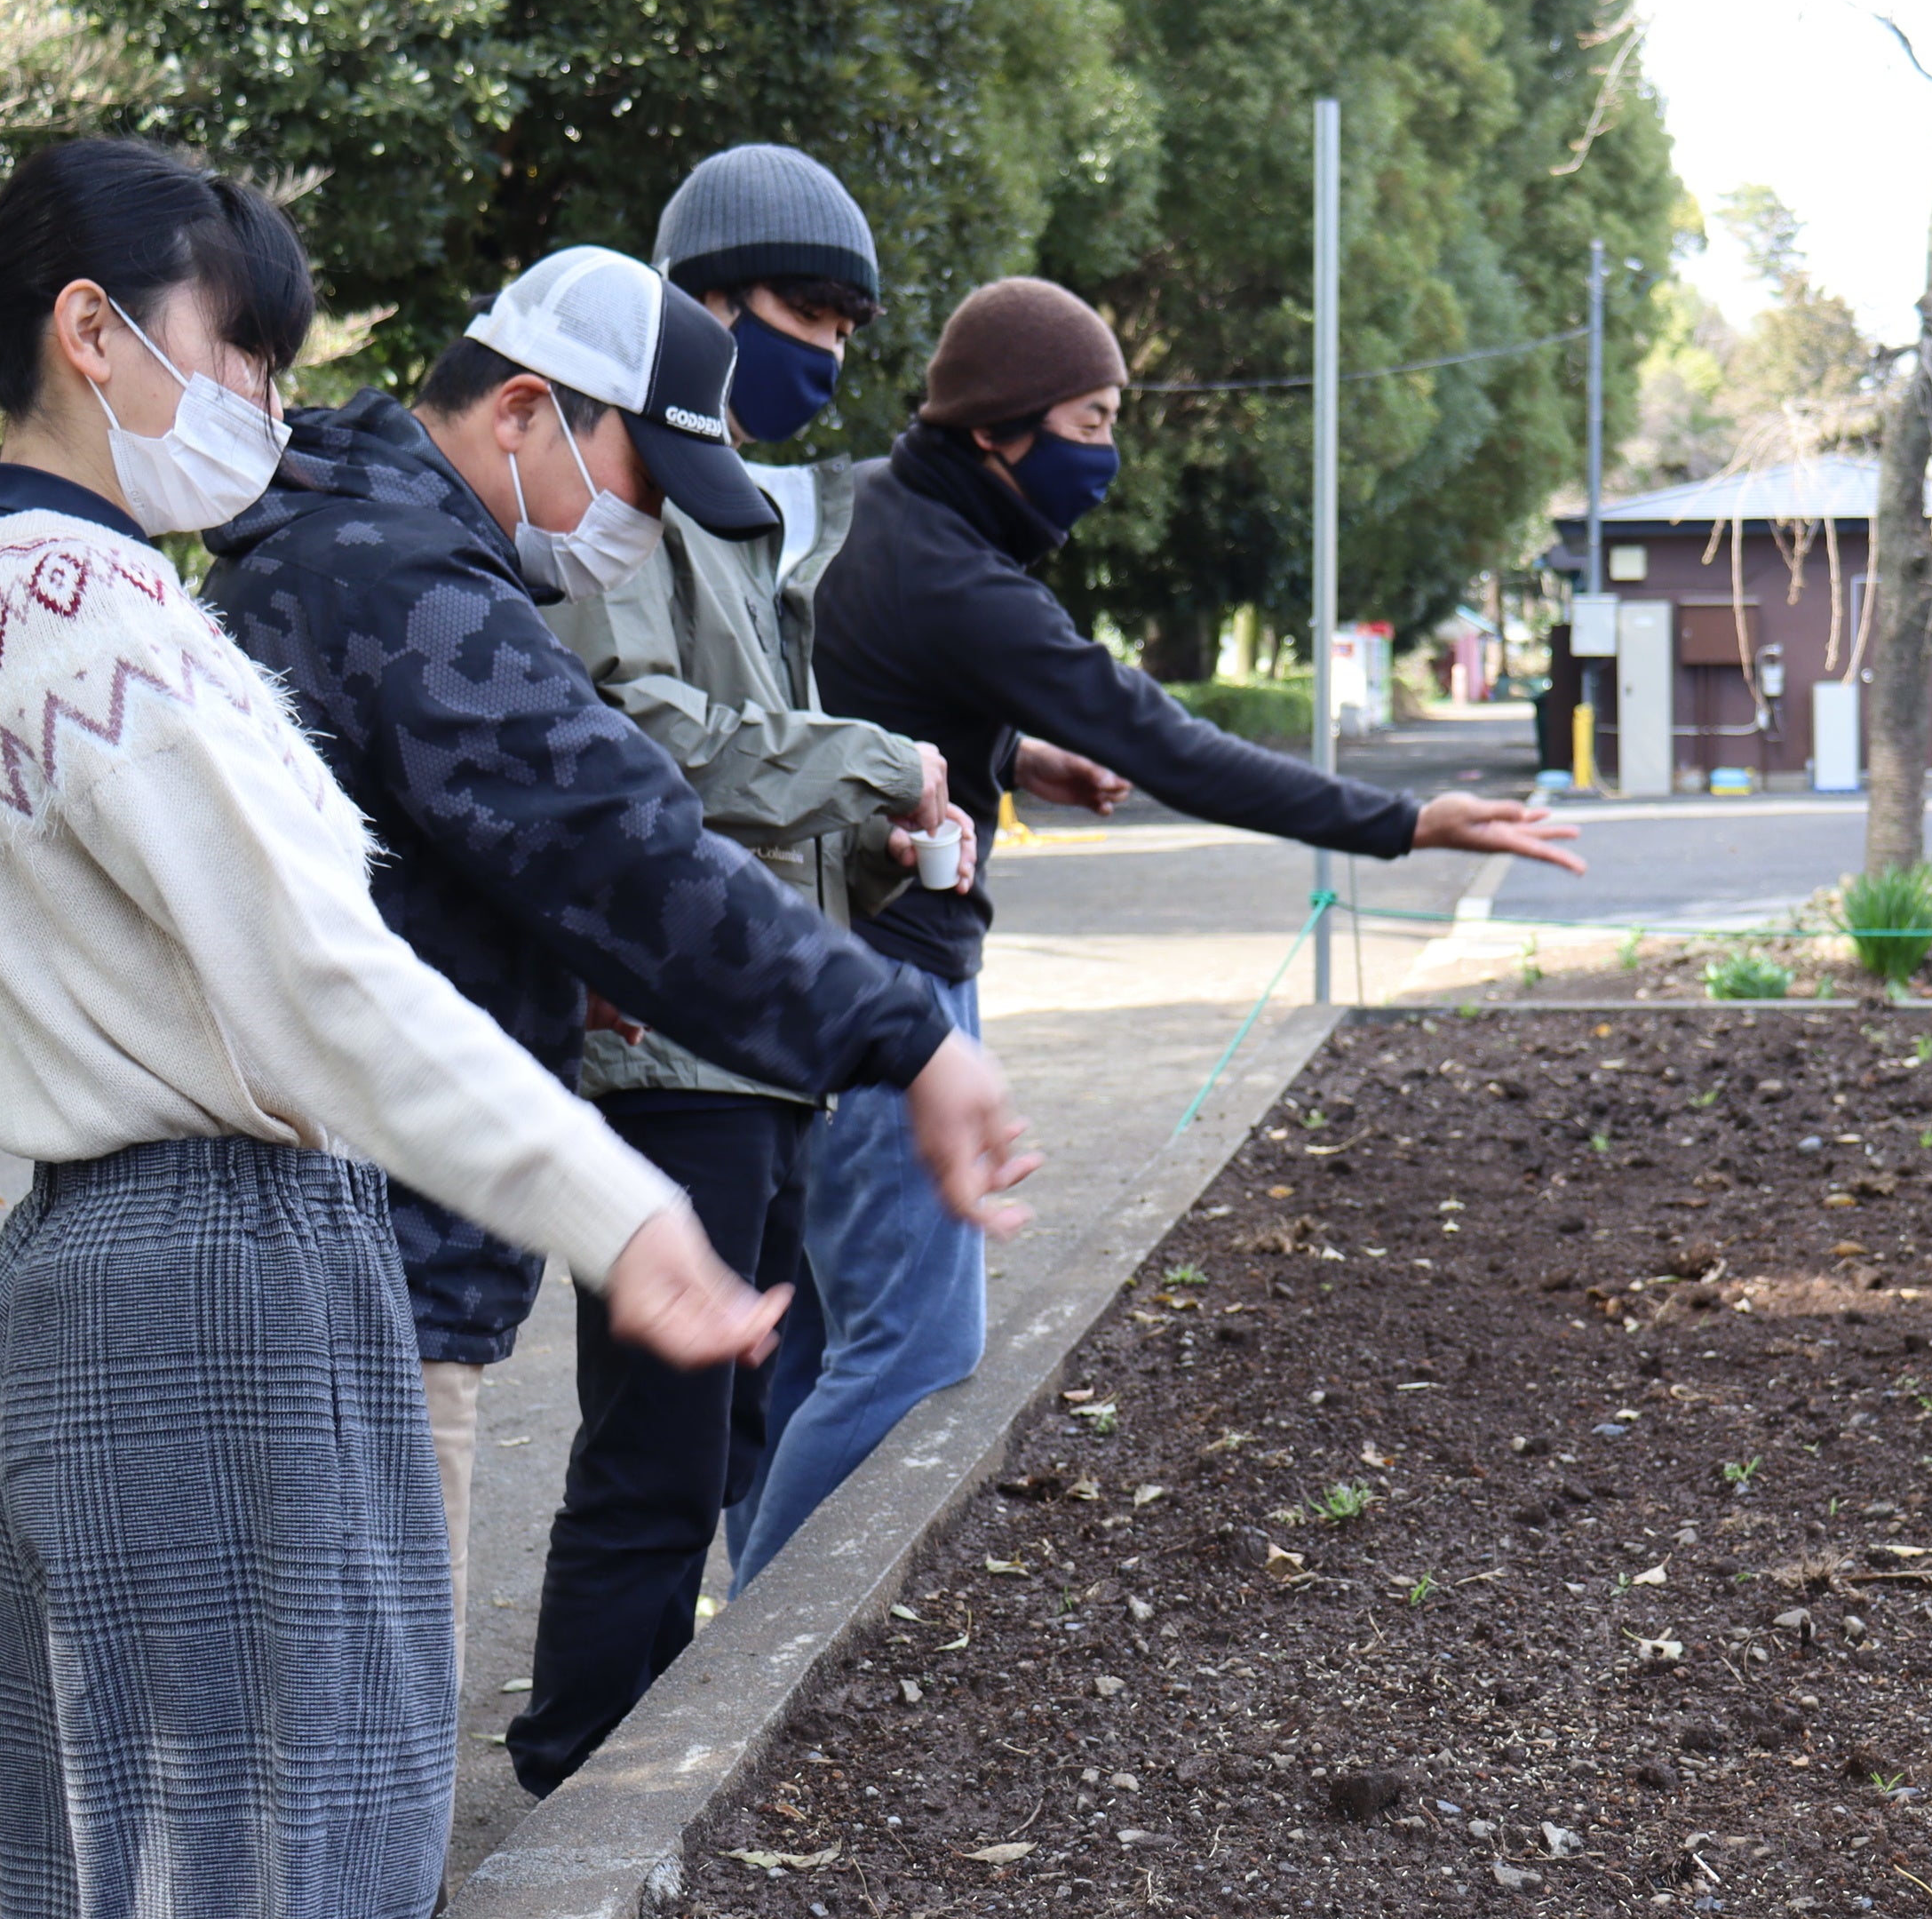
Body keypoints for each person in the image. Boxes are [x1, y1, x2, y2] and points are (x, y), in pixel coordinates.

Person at [0, 139, 787, 1919]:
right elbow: (328, 990)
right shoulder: (95, 623)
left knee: (128, 1914)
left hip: (88, 1267)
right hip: (216, 1265)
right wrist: (616, 1204)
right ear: (91, 333)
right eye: (246, 357)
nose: (270, 414)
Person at [200, 245, 1037, 1707]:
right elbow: (624, 844)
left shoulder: (354, 547)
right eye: (635, 486)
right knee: (346, 1773)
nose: (636, 533)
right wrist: (905, 1036)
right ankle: (577, 1777)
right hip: (367, 1266)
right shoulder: (411, 584)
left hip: (339, 1239)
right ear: (523, 412)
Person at [745, 275, 1586, 1591]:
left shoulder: (887, 513)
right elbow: (1167, 743)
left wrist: (1012, 756)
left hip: (827, 962)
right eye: (1089, 419)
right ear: (997, 431)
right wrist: (1408, 823)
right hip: (893, 986)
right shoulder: (963, 577)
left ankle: (743, 1604)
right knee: (907, 1354)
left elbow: (869, 690)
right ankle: (754, 1649)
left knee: (827, 1342)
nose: (1106, 450)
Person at [513, 146, 965, 1791]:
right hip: (659, 1043)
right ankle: (582, 1770)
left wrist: (880, 835)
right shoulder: (620, 502)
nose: (831, 345)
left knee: (748, 1417)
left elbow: (758, 782)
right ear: (697, 310)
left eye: (852, 318)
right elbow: (645, 742)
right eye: (801, 309)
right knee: (659, 1439)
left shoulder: (735, 500)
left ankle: (691, 1737)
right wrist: (868, 768)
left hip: (756, 1043)